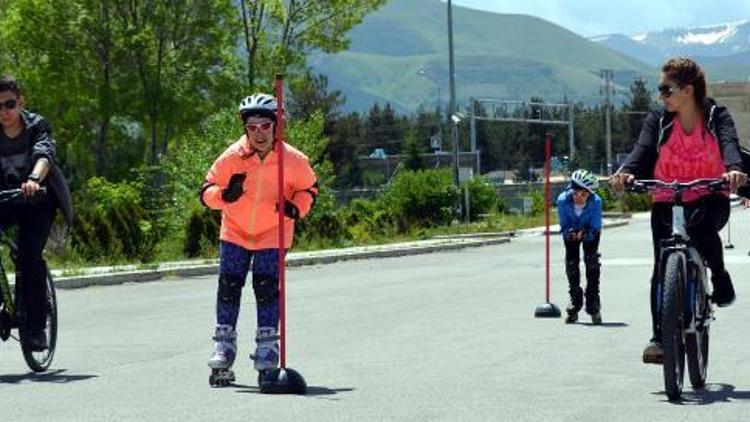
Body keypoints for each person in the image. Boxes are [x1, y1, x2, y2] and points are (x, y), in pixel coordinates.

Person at [610, 57, 747, 364]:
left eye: (665, 89)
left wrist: (734, 169)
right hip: (667, 198)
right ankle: (659, 337)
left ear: (687, 90)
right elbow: (642, 149)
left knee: (698, 223)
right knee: (661, 266)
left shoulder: (715, 115)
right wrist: (625, 171)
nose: (662, 95)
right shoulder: (659, 119)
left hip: (709, 197)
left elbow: (729, 144)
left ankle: (719, 275)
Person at [199, 93, 318, 384]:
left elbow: (310, 189)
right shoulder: (231, 157)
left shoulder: (293, 160)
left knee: (266, 288)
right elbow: (206, 191)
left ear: (276, 126)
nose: (259, 134)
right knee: (229, 286)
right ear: (245, 128)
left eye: (265, 126)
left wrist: (295, 208)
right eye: (252, 127)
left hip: (273, 232)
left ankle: (267, 347)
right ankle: (224, 345)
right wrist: (224, 195)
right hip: (235, 231)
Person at [0, 75, 72, 350]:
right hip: (4, 200)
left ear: (20, 102)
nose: (4, 112)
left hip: (37, 200)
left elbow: (44, 154)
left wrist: (34, 178)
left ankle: (36, 327)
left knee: (28, 257)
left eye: (9, 104)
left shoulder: (36, 125)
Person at [557, 169, 603, 325]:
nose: (579, 198)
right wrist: (570, 233)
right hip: (571, 232)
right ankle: (575, 302)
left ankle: (593, 303)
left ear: (589, 193)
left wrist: (585, 233)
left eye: (584, 194)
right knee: (571, 265)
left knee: (591, 263)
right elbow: (563, 226)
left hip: (590, 232)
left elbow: (596, 227)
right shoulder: (563, 201)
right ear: (571, 190)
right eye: (576, 194)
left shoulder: (596, 202)